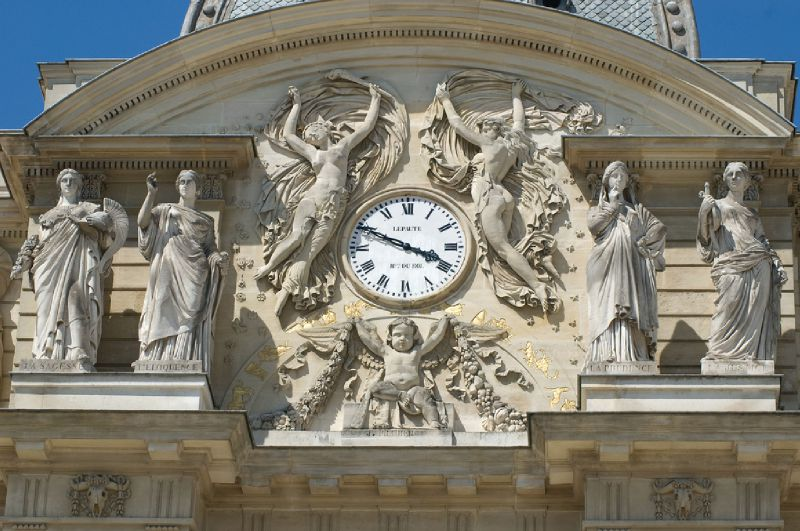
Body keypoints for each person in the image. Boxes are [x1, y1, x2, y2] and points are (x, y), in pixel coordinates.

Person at [254, 84, 382, 315]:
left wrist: (374, 100)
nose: (310, 136)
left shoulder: (342, 147)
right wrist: (296, 105)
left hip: (334, 202)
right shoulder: (313, 154)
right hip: (312, 196)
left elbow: (366, 127)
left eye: (314, 131)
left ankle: (286, 291)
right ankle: (270, 266)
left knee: (309, 252)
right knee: (297, 236)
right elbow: (289, 135)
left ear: (325, 130)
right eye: (309, 135)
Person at [436, 81, 551, 307]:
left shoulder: (488, 143)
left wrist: (445, 99)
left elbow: (457, 125)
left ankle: (537, 285)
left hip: (489, 193)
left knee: (502, 249)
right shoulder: (512, 143)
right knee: (504, 248)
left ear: (488, 129)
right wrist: (516, 95)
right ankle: (530, 279)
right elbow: (519, 121)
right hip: (504, 195)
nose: (479, 132)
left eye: (482, 128)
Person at [12, 169, 116, 370]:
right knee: (45, 309)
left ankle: (78, 350)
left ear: (79, 186)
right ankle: (45, 352)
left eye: (73, 181)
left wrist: (102, 226)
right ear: (59, 185)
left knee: (77, 301)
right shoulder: (47, 216)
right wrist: (23, 265)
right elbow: (36, 246)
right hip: (47, 267)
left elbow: (107, 242)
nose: (68, 183)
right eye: (64, 180)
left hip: (78, 263)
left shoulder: (89, 209)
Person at [137, 170, 228, 371]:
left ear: (198, 190)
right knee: (161, 304)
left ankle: (183, 355)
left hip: (196, 270)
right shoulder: (164, 210)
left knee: (191, 312)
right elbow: (142, 223)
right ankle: (158, 355)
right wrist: (151, 195)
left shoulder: (206, 221)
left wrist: (218, 259)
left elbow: (210, 249)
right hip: (169, 263)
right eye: (181, 182)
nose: (184, 185)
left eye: (189, 182)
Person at [697, 162, 786, 361]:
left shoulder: (752, 214)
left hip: (759, 266)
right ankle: (719, 354)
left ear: (747, 181)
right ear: (726, 179)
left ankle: (749, 354)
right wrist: (704, 212)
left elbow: (763, 241)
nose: (735, 177)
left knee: (754, 313)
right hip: (730, 266)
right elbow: (706, 238)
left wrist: (777, 264)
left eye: (739, 174)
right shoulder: (717, 205)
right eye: (730, 174)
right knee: (727, 308)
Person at [585, 161, 666, 366]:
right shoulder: (598, 208)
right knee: (608, 305)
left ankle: (630, 353)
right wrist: (613, 207)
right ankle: (607, 351)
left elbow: (659, 228)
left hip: (631, 264)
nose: (619, 179)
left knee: (631, 306)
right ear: (606, 182)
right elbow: (594, 226)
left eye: (622, 176)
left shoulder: (636, 210)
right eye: (614, 176)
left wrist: (644, 241)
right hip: (606, 264)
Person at [350, 317, 452, 429]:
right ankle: (400, 395)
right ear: (390, 337)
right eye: (398, 335)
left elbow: (434, 339)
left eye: (407, 335)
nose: (402, 338)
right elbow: (367, 339)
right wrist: (357, 324)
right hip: (390, 388)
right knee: (375, 388)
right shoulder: (386, 351)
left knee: (425, 397)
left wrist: (444, 322)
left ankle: (433, 421)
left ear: (414, 338)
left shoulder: (417, 352)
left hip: (413, 389)